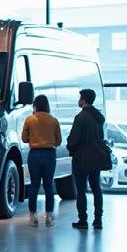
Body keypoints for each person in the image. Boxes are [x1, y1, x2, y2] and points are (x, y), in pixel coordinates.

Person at [66, 88, 110, 229]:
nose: (79, 100)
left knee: (81, 190)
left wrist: (70, 147)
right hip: (96, 157)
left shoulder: (81, 117)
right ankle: (98, 220)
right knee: (96, 188)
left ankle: (83, 220)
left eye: (80, 98)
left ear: (83, 100)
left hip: (81, 158)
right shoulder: (98, 117)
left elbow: (73, 140)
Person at [21, 94, 61, 227]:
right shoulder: (54, 120)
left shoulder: (29, 120)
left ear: (35, 105)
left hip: (34, 154)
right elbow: (59, 141)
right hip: (50, 154)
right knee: (49, 185)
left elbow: (24, 139)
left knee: (34, 185)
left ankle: (33, 217)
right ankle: (49, 217)